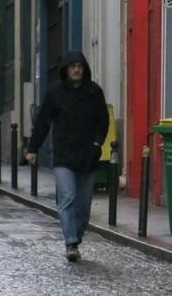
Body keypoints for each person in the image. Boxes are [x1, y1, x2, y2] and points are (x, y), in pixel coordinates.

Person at [24, 51, 108, 262]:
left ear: (84, 68)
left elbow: (103, 120)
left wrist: (97, 143)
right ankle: (70, 242)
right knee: (67, 197)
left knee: (83, 205)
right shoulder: (55, 93)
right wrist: (33, 148)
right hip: (63, 154)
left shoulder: (94, 92)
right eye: (72, 66)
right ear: (66, 70)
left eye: (79, 66)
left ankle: (76, 237)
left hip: (88, 155)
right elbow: (43, 122)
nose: (76, 70)